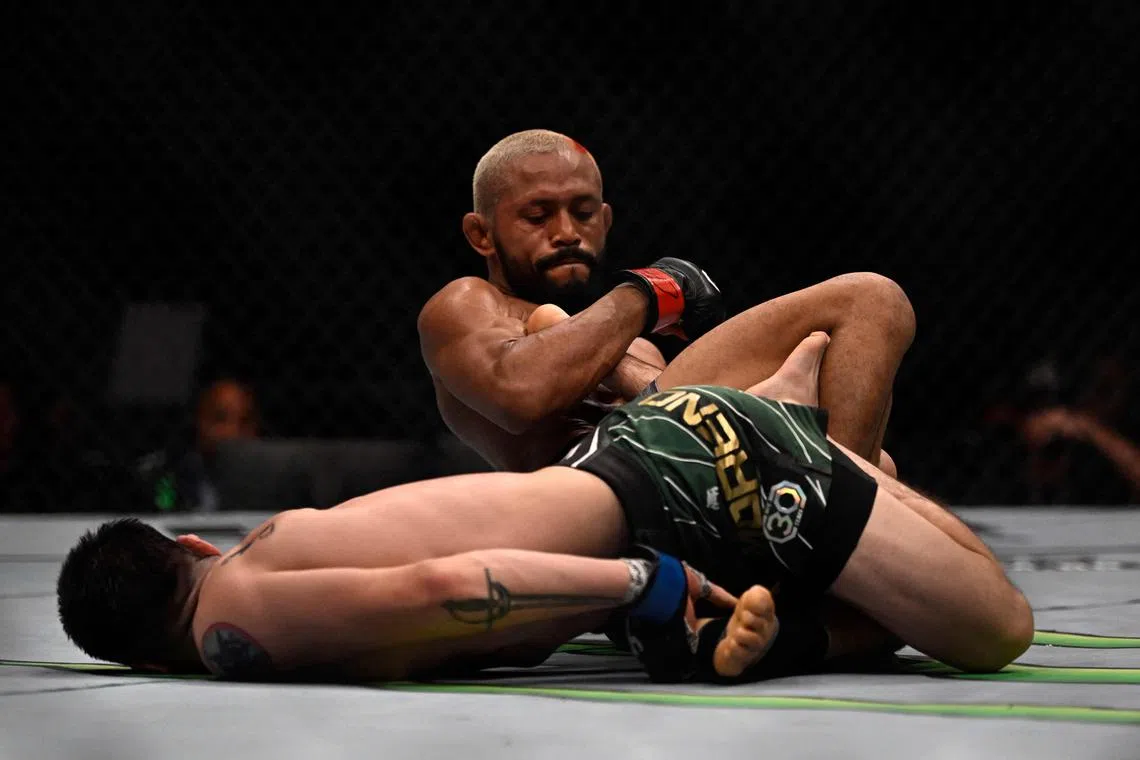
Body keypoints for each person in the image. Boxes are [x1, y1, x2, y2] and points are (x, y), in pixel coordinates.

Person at [56, 334, 1033, 684]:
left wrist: (647, 585)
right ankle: (811, 441)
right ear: (188, 538)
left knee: (998, 632)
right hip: (647, 475)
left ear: (146, 657)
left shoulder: (235, 618)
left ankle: (802, 436)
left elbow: (445, 585)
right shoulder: (258, 553)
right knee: (792, 609)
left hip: (690, 480)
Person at [418, 129, 915, 478]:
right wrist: (652, 290)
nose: (567, 232)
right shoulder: (468, 303)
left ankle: (825, 539)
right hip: (590, 497)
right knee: (871, 298)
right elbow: (520, 394)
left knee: (880, 462)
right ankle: (831, 537)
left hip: (686, 490)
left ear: (606, 221)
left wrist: (629, 365)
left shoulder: (632, 343)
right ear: (481, 234)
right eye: (537, 215)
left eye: (584, 212)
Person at [136, 377, 261, 512]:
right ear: (198, 419)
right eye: (219, 418)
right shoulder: (161, 471)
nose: (232, 431)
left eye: (245, 421)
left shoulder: (266, 480)